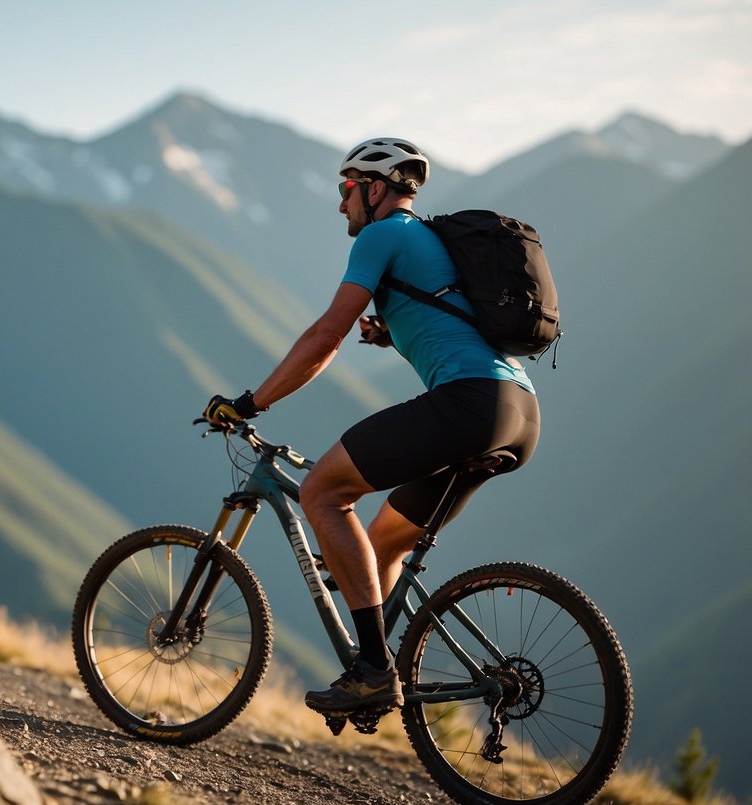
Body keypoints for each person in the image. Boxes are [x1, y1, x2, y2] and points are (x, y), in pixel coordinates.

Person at [203, 137, 541, 715]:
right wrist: (391, 329)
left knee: (322, 493)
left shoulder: (384, 233)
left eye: (346, 190)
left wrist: (251, 402)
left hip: (469, 404)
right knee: (381, 541)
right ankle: (373, 670)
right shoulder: (426, 239)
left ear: (375, 189)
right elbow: (446, 313)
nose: (340, 205)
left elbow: (325, 334)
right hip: (519, 414)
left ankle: (373, 672)